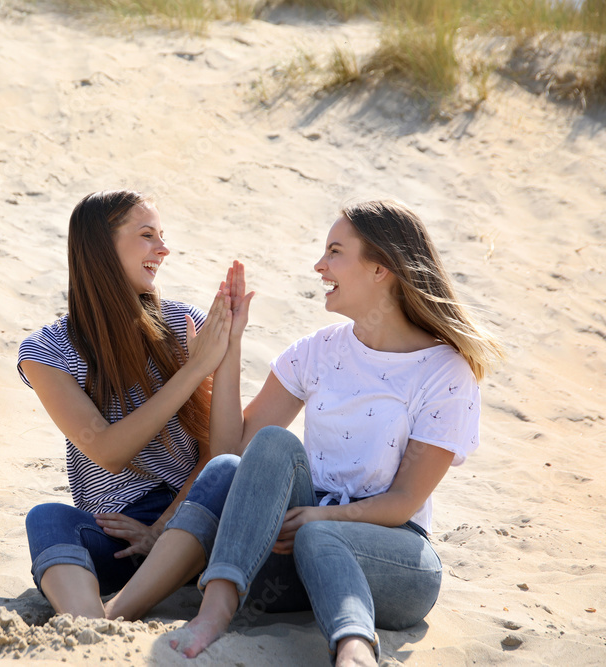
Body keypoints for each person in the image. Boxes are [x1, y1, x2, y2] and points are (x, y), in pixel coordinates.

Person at [105, 199, 504, 666]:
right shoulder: (317, 351)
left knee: (320, 537)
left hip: (395, 562)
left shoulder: (444, 371)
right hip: (291, 560)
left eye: (335, 251)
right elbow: (233, 448)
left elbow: (402, 502)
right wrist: (230, 347)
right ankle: (214, 609)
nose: (319, 265)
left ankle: (354, 648)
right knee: (262, 451)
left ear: (381, 269)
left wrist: (321, 520)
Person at [17, 189, 233, 619]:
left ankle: (117, 613)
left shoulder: (185, 324)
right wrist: (192, 371)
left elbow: (221, 449)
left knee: (228, 472)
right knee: (46, 518)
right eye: (147, 235)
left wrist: (164, 528)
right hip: (120, 538)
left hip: (196, 511)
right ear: (101, 248)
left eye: (162, 235)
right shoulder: (46, 351)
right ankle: (86, 630)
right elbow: (109, 451)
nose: (164, 249)